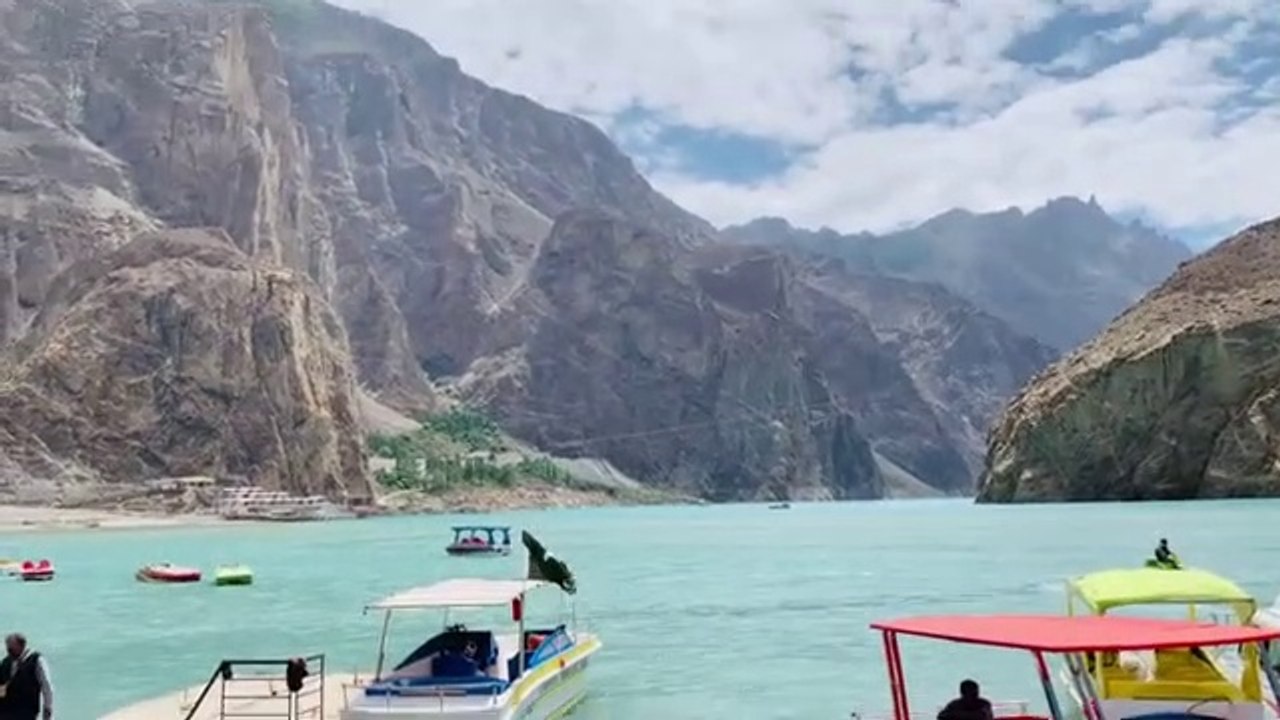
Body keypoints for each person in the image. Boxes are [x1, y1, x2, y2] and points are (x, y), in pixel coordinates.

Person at [0, 633, 52, 720]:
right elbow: (1, 685)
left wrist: (47, 708)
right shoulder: (6, 662)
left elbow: (46, 686)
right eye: (8, 647)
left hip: (27, 710)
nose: (8, 650)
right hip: (5, 711)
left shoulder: (36, 660)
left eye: (11, 647)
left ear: (21, 645)